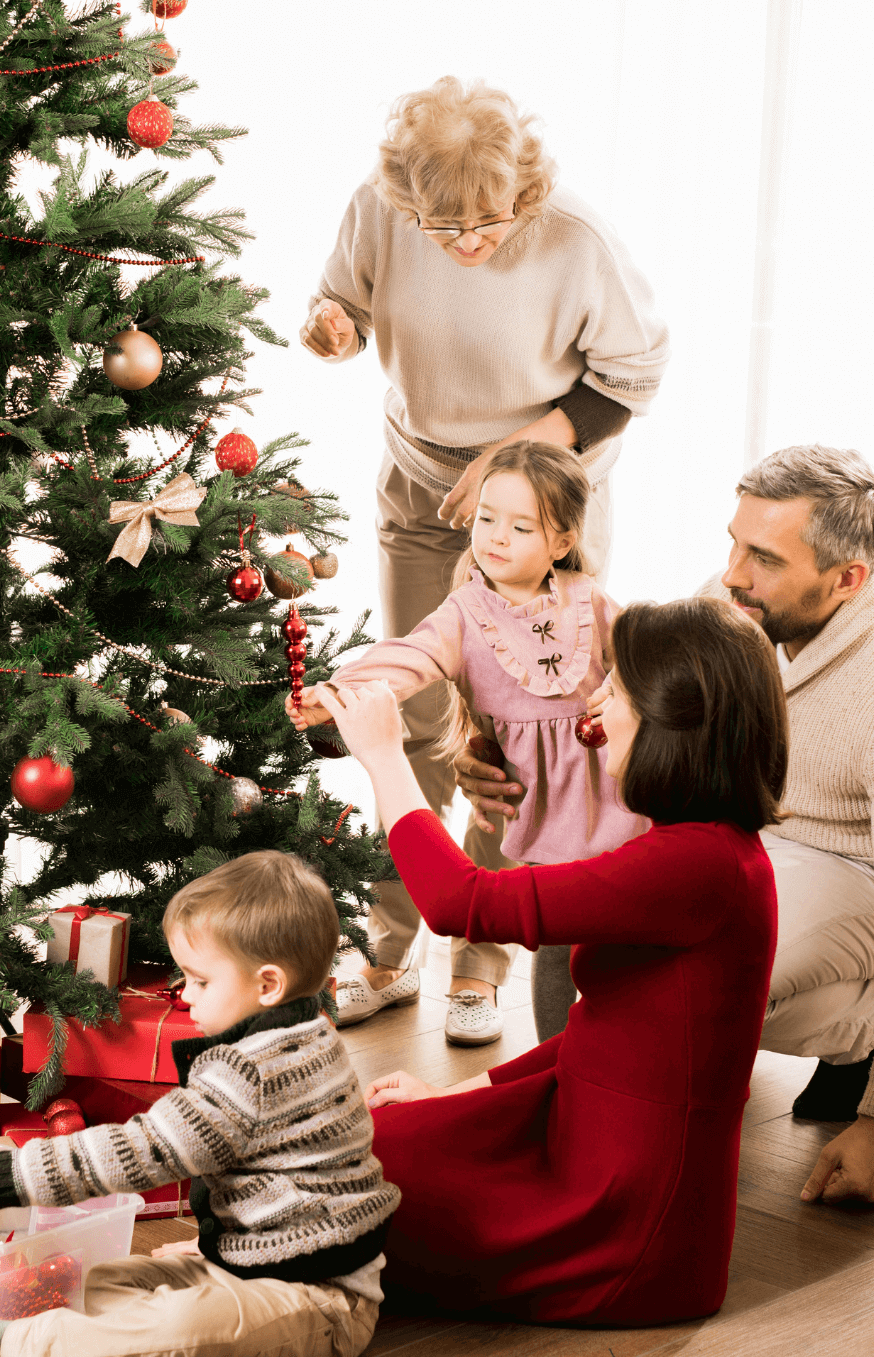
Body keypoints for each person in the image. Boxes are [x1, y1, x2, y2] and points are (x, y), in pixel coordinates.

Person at [300, 76, 669, 1045]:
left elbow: (632, 375)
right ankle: (390, 939)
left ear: (526, 192)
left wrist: (524, 456)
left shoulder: (574, 238)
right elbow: (343, 300)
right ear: (405, 199)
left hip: (540, 505)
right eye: (442, 227)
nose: (468, 243)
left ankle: (482, 957)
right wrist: (334, 327)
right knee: (413, 719)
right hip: (425, 494)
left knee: (522, 740)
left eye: (488, 224)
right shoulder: (381, 210)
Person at [325, 598, 784, 1324]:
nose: (598, 700)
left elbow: (459, 901)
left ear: (673, 723)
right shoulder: (699, 846)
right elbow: (608, 1032)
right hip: (580, 1141)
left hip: (619, 1220)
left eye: (620, 690)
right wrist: (458, 1095)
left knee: (336, 1186)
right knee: (355, 1145)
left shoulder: (699, 866)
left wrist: (384, 755)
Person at [461, 443, 874, 1204]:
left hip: (854, 869)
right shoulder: (734, 610)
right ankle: (565, 1103)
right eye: (733, 541)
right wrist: (488, 747)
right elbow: (598, 709)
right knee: (579, 892)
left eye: (763, 557)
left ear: (848, 580)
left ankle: (626, 1133)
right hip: (727, 834)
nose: (730, 573)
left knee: (674, 971)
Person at [0, 849, 398, 1357]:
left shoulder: (255, 1071)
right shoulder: (303, 1034)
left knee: (183, 1324)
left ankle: (26, 1346)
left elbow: (144, 1150)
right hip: (249, 1262)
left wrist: (8, 1177)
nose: (185, 995)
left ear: (267, 985)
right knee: (100, 1281)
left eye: (200, 981)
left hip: (320, 1299)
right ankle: (89, 1334)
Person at [287, 440, 646, 1041]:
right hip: (533, 808)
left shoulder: (588, 599)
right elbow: (410, 656)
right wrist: (338, 691)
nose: (496, 537)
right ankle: (554, 1059)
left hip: (612, 796)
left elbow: (644, 656)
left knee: (618, 933)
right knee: (553, 940)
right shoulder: (464, 613)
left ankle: (627, 1044)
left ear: (560, 543)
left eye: (521, 527)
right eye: (486, 519)